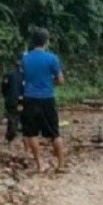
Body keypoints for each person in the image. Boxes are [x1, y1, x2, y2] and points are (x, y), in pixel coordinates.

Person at [21, 29, 66, 172]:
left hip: (29, 99)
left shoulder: (25, 59)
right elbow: (60, 80)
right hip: (47, 98)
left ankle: (40, 164)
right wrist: (49, 82)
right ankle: (60, 165)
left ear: (33, 42)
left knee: (31, 133)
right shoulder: (52, 58)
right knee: (54, 133)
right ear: (46, 42)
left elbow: (24, 78)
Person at [1, 55, 24, 145]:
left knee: (12, 118)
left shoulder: (8, 75)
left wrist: (6, 96)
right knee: (18, 117)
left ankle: (10, 137)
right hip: (21, 100)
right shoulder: (25, 76)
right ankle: (13, 135)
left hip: (11, 100)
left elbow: (3, 89)